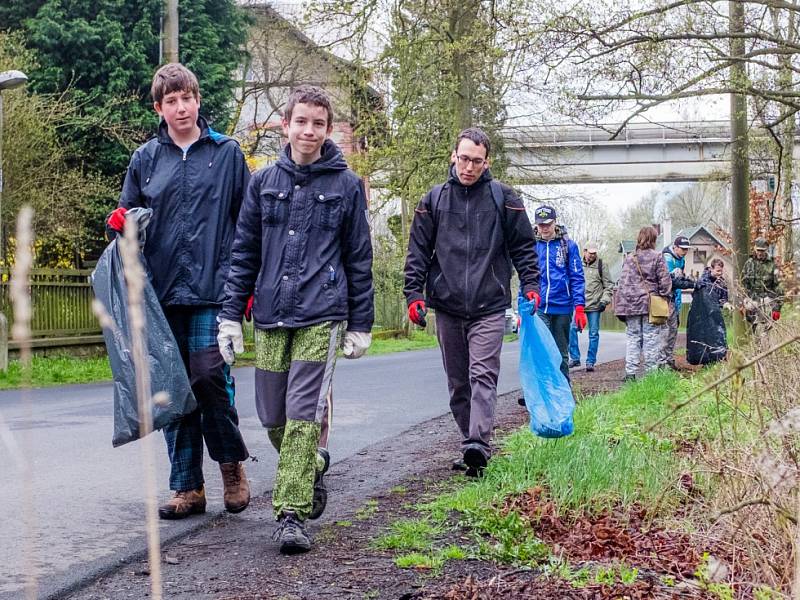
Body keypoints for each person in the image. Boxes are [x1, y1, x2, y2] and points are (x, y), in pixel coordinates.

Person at [217, 85, 374, 554]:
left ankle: (290, 514)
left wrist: (360, 323)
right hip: (269, 313)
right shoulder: (262, 182)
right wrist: (230, 316)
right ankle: (314, 465)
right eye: (301, 121)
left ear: (328, 131)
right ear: (286, 125)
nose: (309, 131)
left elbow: (358, 257)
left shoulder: (346, 186)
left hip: (322, 315)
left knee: (304, 413)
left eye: (319, 124)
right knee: (271, 414)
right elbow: (242, 253)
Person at [106, 63, 251, 520]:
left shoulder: (226, 154)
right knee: (174, 387)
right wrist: (120, 225)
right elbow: (129, 221)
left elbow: (248, 224)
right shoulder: (145, 159)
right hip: (162, 292)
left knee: (208, 376)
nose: (181, 107)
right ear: (160, 108)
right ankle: (187, 487)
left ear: (198, 99)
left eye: (187, 97)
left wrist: (245, 288)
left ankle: (231, 467)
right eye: (171, 101)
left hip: (216, 288)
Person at [404, 127, 540, 477]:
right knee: (458, 382)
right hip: (447, 304)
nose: (468, 167)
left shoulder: (503, 198)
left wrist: (530, 285)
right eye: (464, 159)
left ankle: (479, 442)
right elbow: (418, 251)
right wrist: (414, 294)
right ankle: (470, 443)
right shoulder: (433, 200)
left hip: (489, 304)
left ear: (486, 162)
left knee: (483, 374)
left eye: (476, 161)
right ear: (454, 156)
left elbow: (523, 247)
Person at [532, 205, 586, 382]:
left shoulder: (568, 246)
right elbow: (526, 277)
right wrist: (522, 305)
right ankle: (541, 390)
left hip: (563, 307)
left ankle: (563, 389)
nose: (544, 228)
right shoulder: (532, 247)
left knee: (561, 352)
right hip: (539, 307)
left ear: (555, 223)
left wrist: (579, 307)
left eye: (548, 224)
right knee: (541, 350)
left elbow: (577, 277)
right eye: (541, 225)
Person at [613, 226, 672, 381]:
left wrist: (622, 306)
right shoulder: (657, 257)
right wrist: (665, 297)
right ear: (653, 239)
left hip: (630, 306)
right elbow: (665, 282)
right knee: (651, 339)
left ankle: (630, 373)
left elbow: (623, 283)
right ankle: (650, 374)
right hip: (650, 305)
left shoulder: (629, 258)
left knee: (633, 338)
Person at [568, 241, 613, 372]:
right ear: (585, 251)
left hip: (595, 306)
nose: (592, 255)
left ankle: (590, 361)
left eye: (594, 253)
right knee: (572, 329)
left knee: (593, 334)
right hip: (578, 305)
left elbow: (608, 285)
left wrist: (604, 301)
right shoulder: (576, 264)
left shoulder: (601, 265)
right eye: (590, 252)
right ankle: (575, 358)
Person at [660, 235, 696, 369]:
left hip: (675, 298)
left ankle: (669, 360)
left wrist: (689, 281)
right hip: (664, 299)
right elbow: (671, 281)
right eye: (683, 249)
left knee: (673, 331)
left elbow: (680, 277)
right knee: (665, 331)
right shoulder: (667, 258)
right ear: (675, 247)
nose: (685, 252)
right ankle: (662, 362)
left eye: (687, 249)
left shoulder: (681, 259)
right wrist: (689, 284)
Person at [742, 237, 784, 332]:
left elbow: (779, 287)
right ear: (755, 249)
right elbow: (744, 283)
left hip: (768, 301)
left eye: (762, 250)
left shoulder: (773, 264)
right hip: (753, 301)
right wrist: (745, 301)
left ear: (766, 250)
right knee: (755, 332)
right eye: (758, 250)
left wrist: (777, 308)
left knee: (767, 333)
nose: (760, 253)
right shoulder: (749, 264)